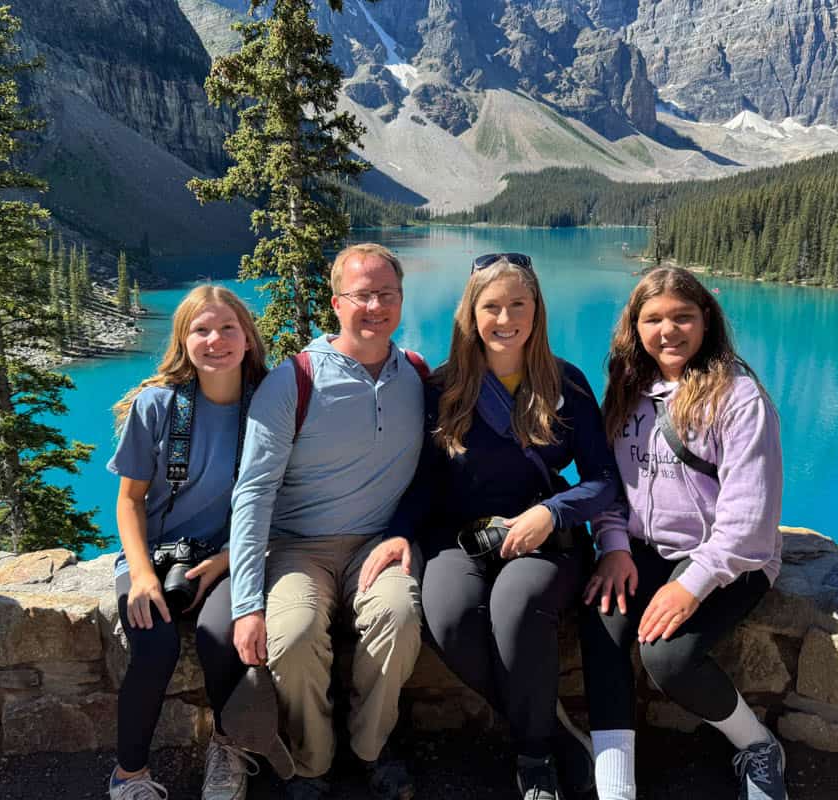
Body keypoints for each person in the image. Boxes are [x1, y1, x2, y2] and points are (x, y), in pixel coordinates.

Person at [376, 252, 620, 800]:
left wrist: (549, 512)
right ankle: (552, 729)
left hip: (542, 536)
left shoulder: (566, 382)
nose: (505, 318)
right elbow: (424, 481)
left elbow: (604, 480)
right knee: (449, 617)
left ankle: (534, 758)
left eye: (518, 304)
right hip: (459, 537)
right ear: (471, 313)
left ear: (537, 310)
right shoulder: (444, 388)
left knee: (515, 605)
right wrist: (399, 532)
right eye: (492, 306)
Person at [579, 266, 786, 800]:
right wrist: (615, 548)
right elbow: (608, 487)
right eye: (653, 319)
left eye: (682, 317)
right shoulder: (626, 391)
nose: (668, 331)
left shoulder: (738, 398)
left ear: (706, 321)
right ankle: (615, 786)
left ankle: (758, 745)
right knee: (602, 623)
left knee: (667, 657)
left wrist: (690, 584)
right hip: (641, 550)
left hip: (728, 560)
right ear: (635, 326)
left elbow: (749, 520)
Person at [229, 243, 426, 800]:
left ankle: (371, 747)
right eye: (362, 295)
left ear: (401, 300)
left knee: (400, 612)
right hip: (298, 549)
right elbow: (252, 495)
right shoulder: (293, 381)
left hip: (377, 545)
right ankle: (312, 761)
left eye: (386, 294)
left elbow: (438, 471)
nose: (375, 306)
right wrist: (246, 604)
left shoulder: (414, 373)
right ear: (336, 303)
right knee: (289, 635)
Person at [107, 285, 269, 800]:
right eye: (201, 329)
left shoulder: (269, 405)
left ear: (247, 338)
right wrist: (142, 576)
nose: (215, 340)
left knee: (222, 635)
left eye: (227, 328)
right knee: (153, 644)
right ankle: (128, 776)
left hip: (229, 557)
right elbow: (129, 501)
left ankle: (226, 750)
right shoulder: (159, 406)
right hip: (155, 556)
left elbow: (284, 500)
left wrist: (225, 561)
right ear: (183, 341)